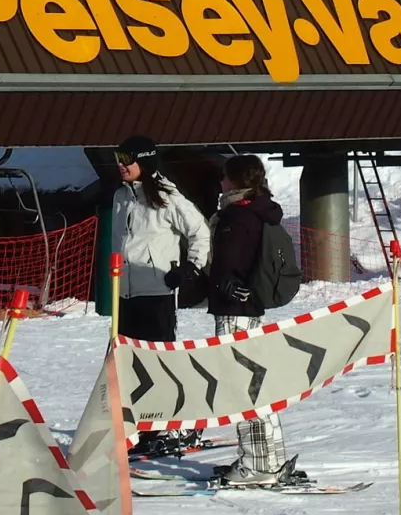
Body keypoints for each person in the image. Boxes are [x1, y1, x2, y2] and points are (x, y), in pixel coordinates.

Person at [111, 135, 210, 457]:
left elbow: (199, 231)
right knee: (129, 366)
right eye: (118, 158)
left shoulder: (166, 196)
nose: (121, 165)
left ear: (146, 161)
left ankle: (172, 425)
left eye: (128, 159)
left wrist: (190, 268)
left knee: (159, 364)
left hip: (156, 292)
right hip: (123, 294)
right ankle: (139, 427)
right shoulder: (120, 196)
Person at [208, 154, 300, 487]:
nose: (220, 182)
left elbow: (226, 264)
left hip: (234, 312)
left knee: (243, 388)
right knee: (256, 385)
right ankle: (269, 457)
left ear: (233, 181)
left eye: (223, 176)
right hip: (250, 310)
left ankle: (256, 465)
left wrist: (217, 283)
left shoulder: (236, 216)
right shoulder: (262, 211)